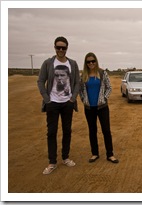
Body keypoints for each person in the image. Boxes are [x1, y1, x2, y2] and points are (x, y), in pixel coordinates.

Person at [37, 36, 80, 175]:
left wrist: (73, 98)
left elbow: (77, 82)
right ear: (54, 47)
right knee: (51, 132)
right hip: (53, 103)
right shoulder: (48, 63)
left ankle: (65, 157)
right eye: (58, 47)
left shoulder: (72, 64)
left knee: (67, 131)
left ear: (67, 48)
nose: (61, 50)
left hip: (67, 103)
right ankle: (52, 162)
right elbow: (40, 81)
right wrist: (46, 98)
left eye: (64, 47)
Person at [79, 52, 119, 164]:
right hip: (89, 108)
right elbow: (80, 90)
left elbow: (109, 87)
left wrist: (104, 98)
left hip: (102, 107)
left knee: (106, 130)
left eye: (93, 61)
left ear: (96, 61)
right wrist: (84, 100)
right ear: (86, 63)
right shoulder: (83, 76)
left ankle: (110, 154)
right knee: (92, 131)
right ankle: (94, 153)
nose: (91, 63)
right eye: (88, 62)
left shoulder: (102, 73)